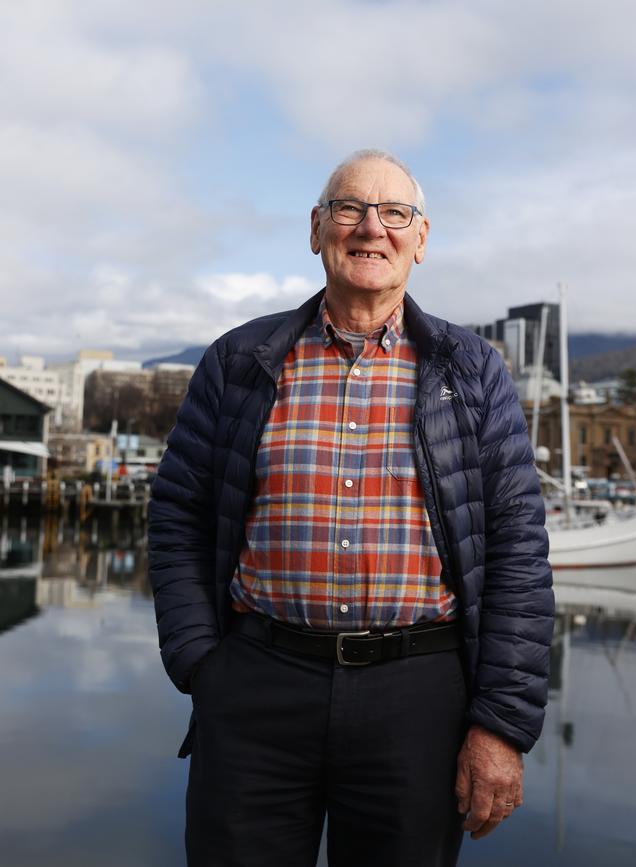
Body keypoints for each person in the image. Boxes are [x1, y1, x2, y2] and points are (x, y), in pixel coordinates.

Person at [148, 149, 554, 867]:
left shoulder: (474, 370)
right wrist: (201, 665)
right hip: (257, 686)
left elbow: (517, 549)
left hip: (418, 697)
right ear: (317, 230)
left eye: (394, 212)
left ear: (420, 240)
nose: (372, 227)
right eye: (349, 208)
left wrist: (502, 724)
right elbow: (178, 513)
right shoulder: (239, 360)